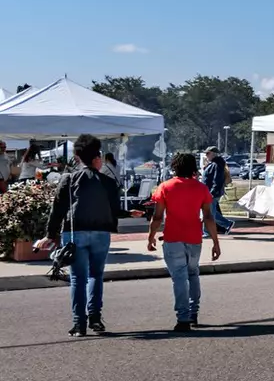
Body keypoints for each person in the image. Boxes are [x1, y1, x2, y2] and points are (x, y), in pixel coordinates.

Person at [37, 134, 132, 337]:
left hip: (74, 232)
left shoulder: (69, 179)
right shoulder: (108, 181)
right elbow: (115, 209)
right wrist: (132, 212)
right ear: (97, 156)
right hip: (101, 233)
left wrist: (50, 235)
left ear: (77, 156)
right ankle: (95, 317)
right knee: (96, 275)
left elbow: (57, 210)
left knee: (77, 278)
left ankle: (79, 324)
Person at [147, 153, 221, 332]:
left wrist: (151, 237)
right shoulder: (201, 188)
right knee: (193, 274)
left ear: (174, 167)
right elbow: (209, 217)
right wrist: (216, 242)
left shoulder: (165, 187)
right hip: (194, 238)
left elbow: (157, 217)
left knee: (179, 278)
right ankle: (193, 312)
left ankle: (183, 318)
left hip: (173, 238)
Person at [202, 148, 234, 234]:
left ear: (214, 154)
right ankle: (227, 224)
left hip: (212, 193)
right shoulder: (213, 164)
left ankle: (207, 231)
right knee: (210, 213)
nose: (206, 155)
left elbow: (217, 180)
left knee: (209, 213)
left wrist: (212, 192)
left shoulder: (217, 164)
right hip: (209, 192)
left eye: (208, 153)